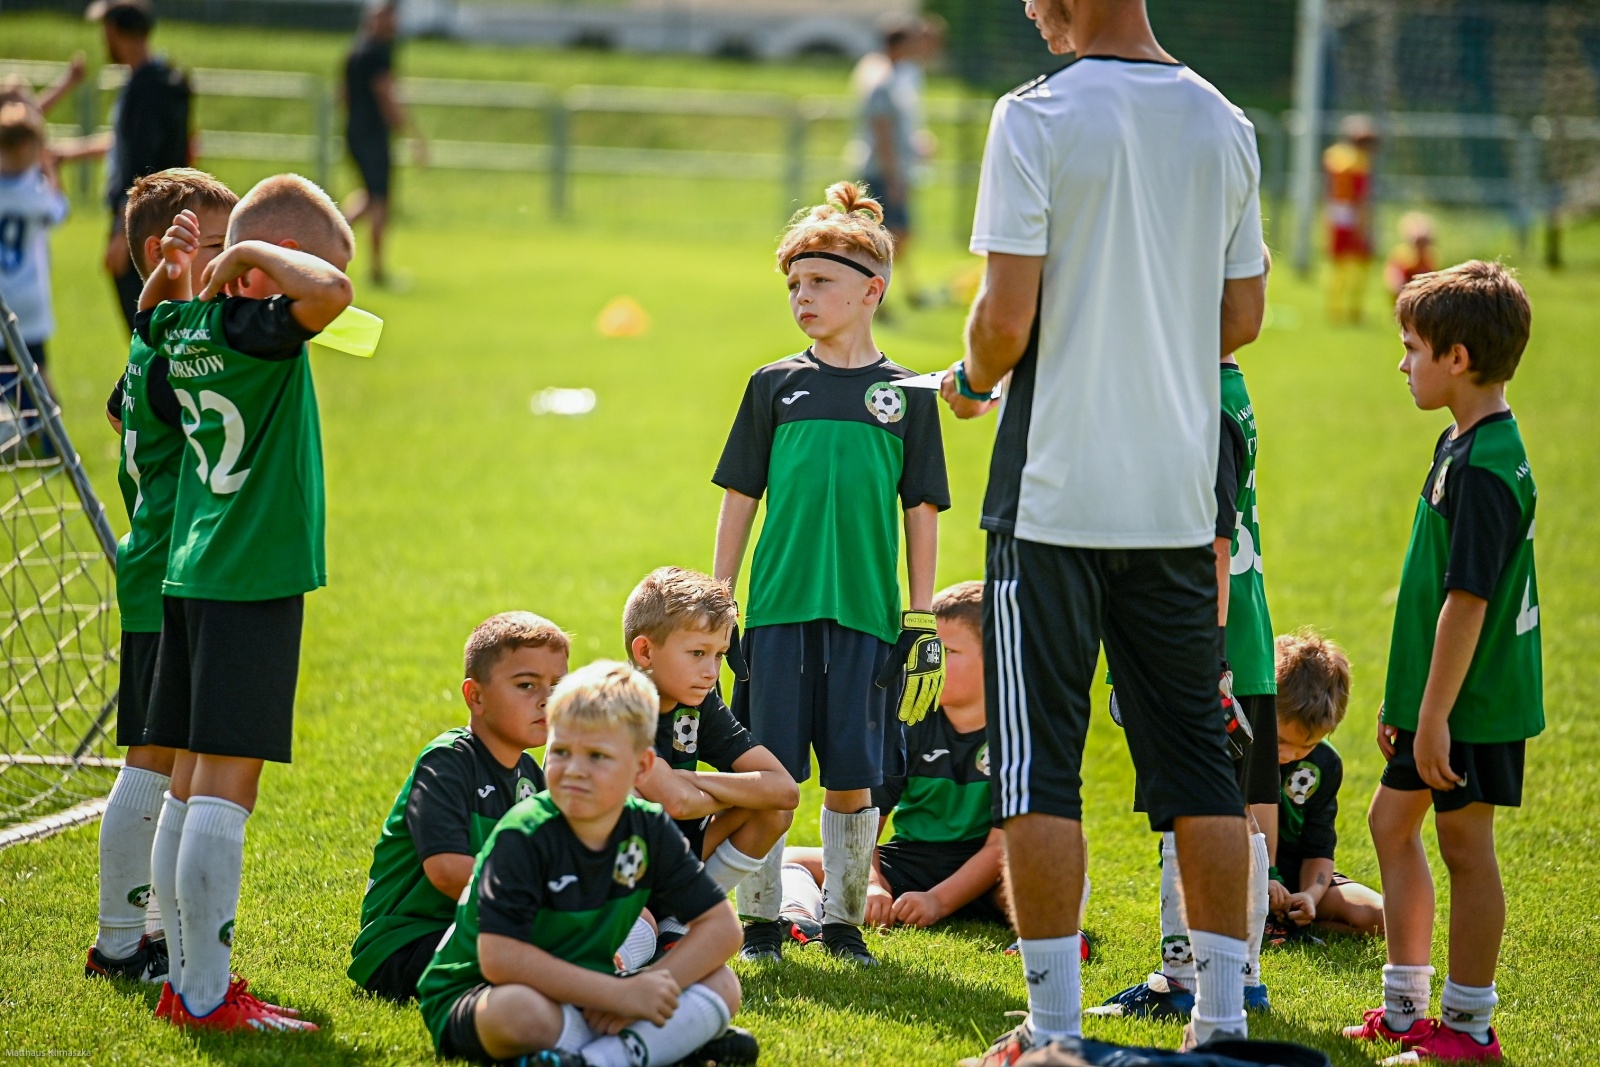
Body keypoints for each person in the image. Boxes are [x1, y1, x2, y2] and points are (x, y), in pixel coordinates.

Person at [939, 0, 1267, 1056]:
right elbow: (1242, 316)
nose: (1028, 7)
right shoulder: (1223, 119)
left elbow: (1003, 320)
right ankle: (1221, 1023)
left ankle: (1053, 1033)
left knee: (1038, 766)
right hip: (1176, 495)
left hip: (1053, 497)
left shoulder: (1034, 115)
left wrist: (968, 380)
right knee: (1197, 762)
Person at [712, 180, 949, 967]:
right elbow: (741, 496)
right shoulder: (772, 385)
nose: (802, 298)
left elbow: (921, 508)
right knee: (769, 772)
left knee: (853, 776)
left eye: (818, 282)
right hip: (777, 610)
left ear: (871, 290)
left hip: (867, 615)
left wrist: (920, 615)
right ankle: (758, 922)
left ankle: (843, 921)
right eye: (793, 285)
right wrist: (720, 597)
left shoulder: (908, 396)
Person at [137, 173, 354, 1030]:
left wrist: (181, 275)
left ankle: (181, 977)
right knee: (226, 788)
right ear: (278, 265)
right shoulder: (262, 328)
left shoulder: (186, 325)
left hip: (193, 573)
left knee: (189, 781)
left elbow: (151, 319)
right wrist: (245, 254)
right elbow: (331, 294)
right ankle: (204, 995)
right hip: (250, 575)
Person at [1344, 261, 1539, 1063]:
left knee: (1465, 845)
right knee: (1391, 823)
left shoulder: (1489, 467)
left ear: (1457, 358)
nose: (1402, 363)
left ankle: (1468, 1027)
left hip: (1472, 702)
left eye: (1412, 348)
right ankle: (1405, 1010)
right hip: (1436, 698)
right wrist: (1407, 702)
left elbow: (1467, 603)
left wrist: (1433, 716)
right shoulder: (1459, 442)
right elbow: (1433, 590)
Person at [1095, 246, 1279, 1021]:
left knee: (1194, 805)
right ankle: (1238, 971)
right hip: (1236, 640)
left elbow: (1210, 545)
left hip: (1204, 643)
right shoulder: (1226, 388)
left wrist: (1205, 658)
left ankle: (1188, 977)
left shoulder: (1202, 404)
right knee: (1224, 804)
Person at [416, 661, 756, 1067]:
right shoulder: (524, 834)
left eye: (597, 756)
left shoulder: (648, 828)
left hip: (588, 991)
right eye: (561, 752)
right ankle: (649, 1049)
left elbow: (722, 928)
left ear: (642, 767)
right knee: (519, 1012)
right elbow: (500, 958)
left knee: (722, 982)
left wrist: (650, 983)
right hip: (486, 991)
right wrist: (618, 995)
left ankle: (597, 1059)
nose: (575, 770)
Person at [86, 168, 237, 985]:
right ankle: (118, 945)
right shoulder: (174, 358)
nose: (229, 261)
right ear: (163, 254)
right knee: (151, 759)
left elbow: (119, 408)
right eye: (216, 245)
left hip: (165, 571)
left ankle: (149, 935)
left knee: (172, 755)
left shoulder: (153, 344)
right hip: (162, 577)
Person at [348, 612, 569, 1003]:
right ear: (476, 696)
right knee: (552, 968)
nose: (545, 700)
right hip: (408, 943)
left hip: (481, 930)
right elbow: (448, 872)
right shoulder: (448, 761)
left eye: (557, 687)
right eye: (526, 685)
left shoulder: (531, 777)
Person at [781, 581, 1012, 933]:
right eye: (927, 650)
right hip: (911, 863)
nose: (928, 663)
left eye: (946, 651)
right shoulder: (908, 722)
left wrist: (939, 900)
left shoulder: (1019, 734)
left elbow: (1000, 848)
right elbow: (867, 827)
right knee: (792, 858)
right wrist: (872, 883)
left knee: (1049, 863)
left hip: (988, 872)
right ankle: (800, 916)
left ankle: (1057, 934)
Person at [623, 567, 799, 956]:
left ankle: (681, 920)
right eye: (697, 653)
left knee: (771, 811)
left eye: (719, 655)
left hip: (663, 862)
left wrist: (689, 780)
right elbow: (678, 804)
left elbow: (784, 791)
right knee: (631, 956)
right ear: (645, 651)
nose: (711, 672)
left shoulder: (700, 705)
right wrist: (725, 792)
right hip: (610, 876)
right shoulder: (616, 707)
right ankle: (653, 929)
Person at [1270, 630, 1383, 939]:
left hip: (1295, 876)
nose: (1288, 755)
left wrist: (1310, 896)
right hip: (1240, 872)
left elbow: (1318, 848)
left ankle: (1284, 919)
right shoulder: (1245, 746)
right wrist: (1262, 879)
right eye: (1280, 740)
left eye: (1305, 747)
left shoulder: (1325, 764)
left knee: (1379, 917)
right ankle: (1258, 915)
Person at [87, 0, 192, 331]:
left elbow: (143, 160)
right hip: (169, 210)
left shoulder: (145, 89)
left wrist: (123, 228)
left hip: (143, 216)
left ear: (115, 32)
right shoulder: (169, 79)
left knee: (145, 323)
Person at [0, 101, 69, 431]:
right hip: (29, 297)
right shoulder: (35, 192)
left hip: (3, 294)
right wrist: (51, 171)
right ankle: (47, 430)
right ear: (27, 149)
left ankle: (22, 428)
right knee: (35, 367)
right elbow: (61, 210)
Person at [343, 0, 422, 286]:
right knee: (379, 200)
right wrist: (412, 135)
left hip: (354, 131)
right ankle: (377, 270)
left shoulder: (354, 51)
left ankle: (326, 238)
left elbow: (343, 95)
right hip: (373, 135)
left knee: (368, 195)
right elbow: (386, 94)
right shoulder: (377, 54)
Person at [857, 18, 926, 310]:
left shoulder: (899, 76)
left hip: (894, 169)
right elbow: (882, 133)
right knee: (886, 237)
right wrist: (893, 177)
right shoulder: (882, 81)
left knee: (897, 235)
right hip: (883, 171)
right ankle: (872, 296)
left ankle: (896, 292)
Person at [1324, 114, 1378, 325]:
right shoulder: (1360, 163)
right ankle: (1354, 308)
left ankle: (1335, 306)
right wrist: (1365, 223)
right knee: (1360, 265)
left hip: (1336, 214)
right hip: (1354, 216)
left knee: (1337, 264)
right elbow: (1361, 196)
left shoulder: (1334, 156)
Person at [1385, 212, 1438, 300]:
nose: (1422, 247)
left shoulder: (1430, 258)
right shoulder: (1402, 257)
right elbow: (1394, 284)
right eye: (1419, 243)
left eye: (1425, 242)